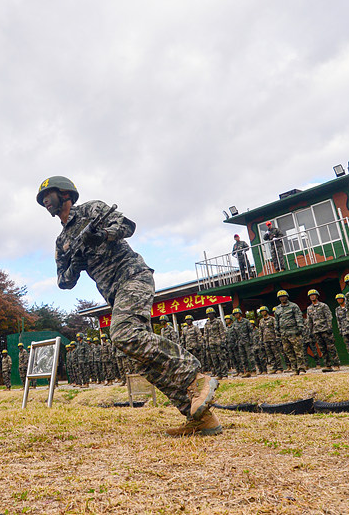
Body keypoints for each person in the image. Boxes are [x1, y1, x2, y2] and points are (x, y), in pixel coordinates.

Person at [37, 176, 220, 436]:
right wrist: (75, 265)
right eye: (41, 199)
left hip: (133, 276)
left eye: (49, 195)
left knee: (122, 333)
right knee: (142, 359)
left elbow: (127, 225)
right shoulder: (62, 242)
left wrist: (101, 234)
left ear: (65, 194)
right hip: (114, 294)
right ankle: (200, 417)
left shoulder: (92, 210)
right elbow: (63, 282)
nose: (44, 201)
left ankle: (194, 377)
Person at [274, 290, 306, 375]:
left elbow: (298, 317)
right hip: (284, 334)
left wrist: (300, 327)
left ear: (287, 297)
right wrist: (277, 331)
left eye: (284, 296)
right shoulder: (277, 309)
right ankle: (294, 369)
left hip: (294, 332)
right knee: (289, 352)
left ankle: (301, 368)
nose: (282, 298)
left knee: (298, 351)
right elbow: (276, 321)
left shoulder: (293, 306)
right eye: (280, 297)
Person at [306, 289, 340, 371]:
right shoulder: (309, 308)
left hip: (325, 330)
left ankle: (336, 365)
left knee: (331, 347)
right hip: (317, 331)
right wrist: (310, 331)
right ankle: (327, 365)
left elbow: (329, 317)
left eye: (314, 295)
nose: (312, 296)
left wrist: (329, 327)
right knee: (322, 349)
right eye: (311, 296)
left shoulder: (323, 306)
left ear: (317, 296)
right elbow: (309, 321)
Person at [203, 307, 228, 380]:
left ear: (214, 314)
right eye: (208, 314)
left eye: (210, 314)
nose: (209, 315)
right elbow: (205, 335)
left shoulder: (218, 322)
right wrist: (206, 344)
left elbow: (222, 332)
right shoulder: (206, 324)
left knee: (222, 359)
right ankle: (219, 374)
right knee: (214, 360)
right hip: (211, 344)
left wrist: (223, 342)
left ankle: (224, 374)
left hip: (218, 343)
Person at [231, 308, 256, 377]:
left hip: (247, 341)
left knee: (250, 356)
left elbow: (251, 331)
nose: (236, 315)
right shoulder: (234, 324)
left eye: (237, 314)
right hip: (240, 343)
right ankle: (247, 371)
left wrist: (251, 340)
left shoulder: (246, 321)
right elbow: (234, 334)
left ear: (240, 313)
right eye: (234, 314)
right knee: (243, 358)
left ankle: (253, 371)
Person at [257, 307, 281, 374]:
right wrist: (261, 340)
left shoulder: (272, 319)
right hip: (265, 340)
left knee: (276, 353)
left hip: (273, 339)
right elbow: (260, 331)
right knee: (269, 355)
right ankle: (274, 367)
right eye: (261, 312)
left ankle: (279, 368)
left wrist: (277, 337)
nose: (262, 313)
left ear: (267, 311)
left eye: (263, 311)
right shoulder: (261, 321)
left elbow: (275, 328)